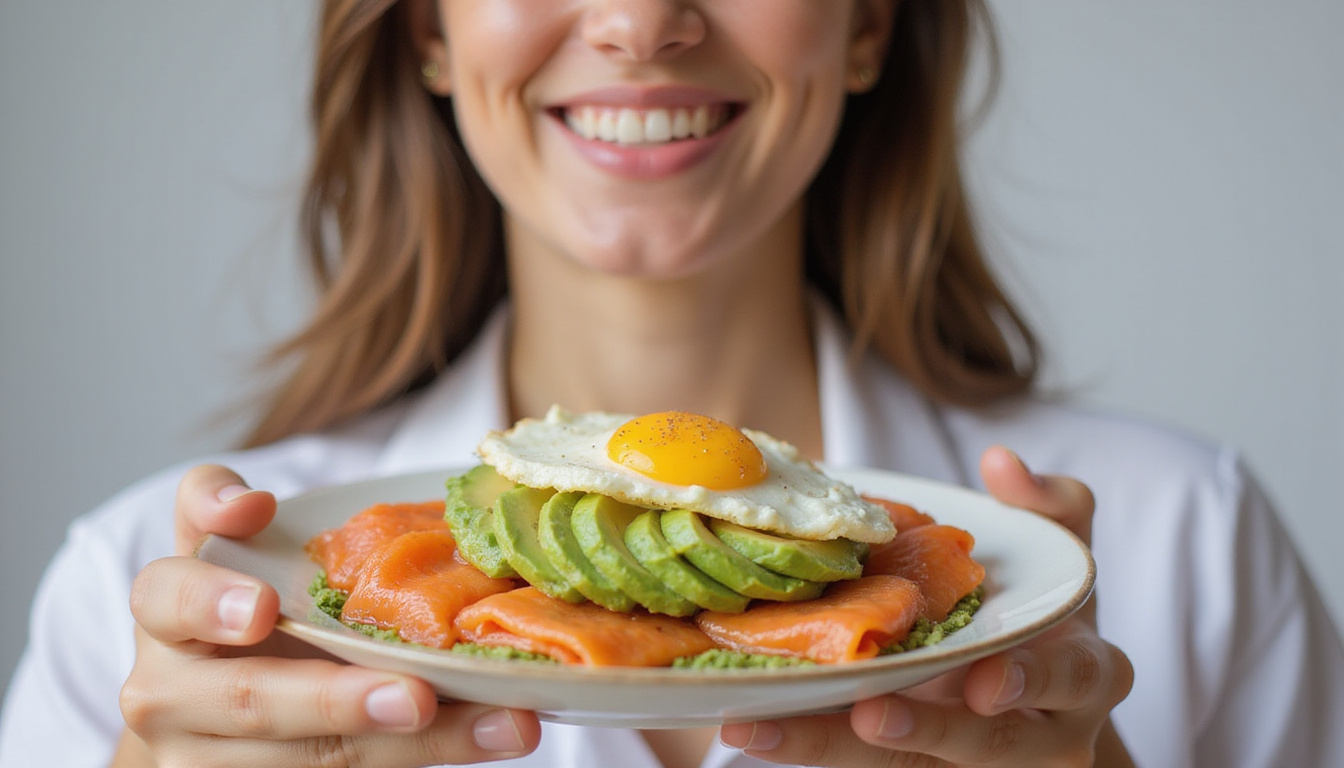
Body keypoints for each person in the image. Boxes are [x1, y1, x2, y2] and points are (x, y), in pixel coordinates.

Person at [2, 1, 1342, 766]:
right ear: (426, 28)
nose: (643, 22)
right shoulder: (155, 610)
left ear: (869, 23)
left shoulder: (1187, 541)